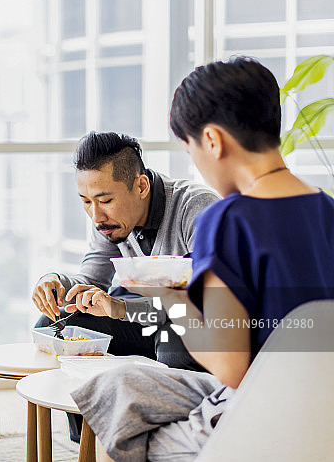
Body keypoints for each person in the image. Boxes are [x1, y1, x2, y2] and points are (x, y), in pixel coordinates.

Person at [73, 57, 334, 462]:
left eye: (191, 148)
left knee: (118, 423)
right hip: (321, 412)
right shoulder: (328, 210)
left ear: (212, 140)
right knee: (125, 382)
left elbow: (230, 367)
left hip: (255, 414)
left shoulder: (226, 219)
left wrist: (172, 295)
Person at [30, 131, 220, 440]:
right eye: (86, 202)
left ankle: (177, 442)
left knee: (173, 339)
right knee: (58, 323)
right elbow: (90, 281)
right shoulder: (108, 221)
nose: (95, 215)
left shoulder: (197, 208)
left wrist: (122, 308)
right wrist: (55, 283)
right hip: (142, 318)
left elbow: (200, 301)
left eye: (105, 200)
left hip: (198, 323)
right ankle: (89, 442)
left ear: (141, 186)